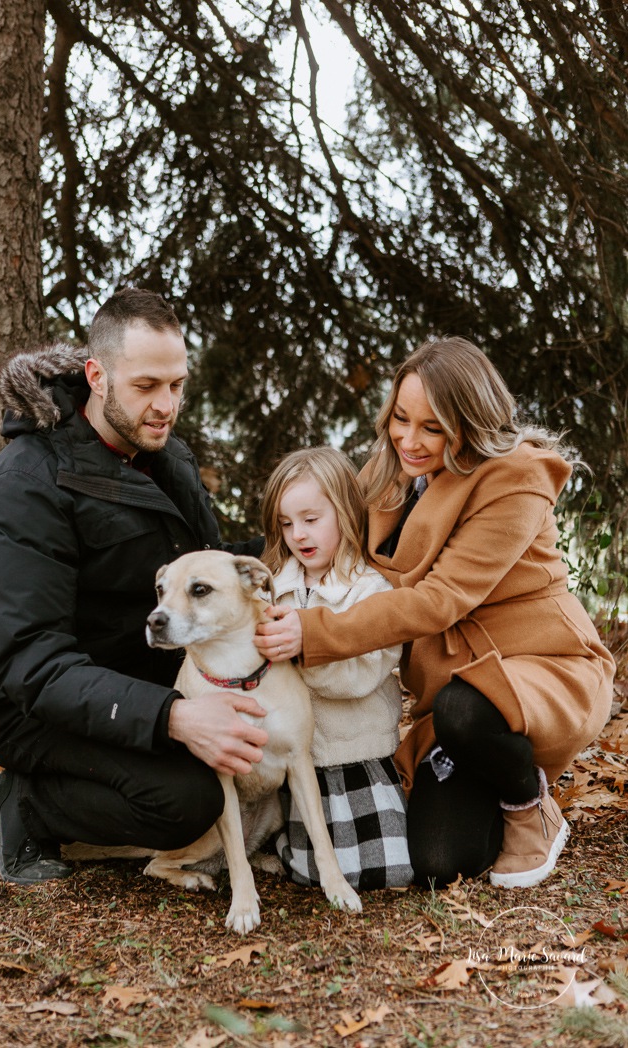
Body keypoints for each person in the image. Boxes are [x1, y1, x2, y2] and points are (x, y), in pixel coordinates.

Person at [256, 337, 615, 889]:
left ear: (470, 423)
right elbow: (326, 534)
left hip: (534, 668)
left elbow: (438, 600)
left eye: (433, 426)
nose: (409, 438)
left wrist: (312, 632)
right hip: (445, 693)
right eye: (401, 417)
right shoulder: (390, 471)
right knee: (439, 860)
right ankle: (487, 782)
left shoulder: (515, 477)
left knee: (466, 709)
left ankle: (527, 803)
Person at [0, 288, 267, 885]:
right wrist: (175, 717)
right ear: (96, 375)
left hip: (134, 670)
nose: (165, 405)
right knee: (188, 800)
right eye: (146, 386)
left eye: (176, 385)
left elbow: (211, 566)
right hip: (31, 704)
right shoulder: (23, 488)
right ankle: (29, 804)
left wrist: (301, 550)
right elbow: (33, 665)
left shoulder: (166, 456)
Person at [260, 447, 413, 890]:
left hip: (355, 753)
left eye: (311, 519)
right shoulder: (276, 587)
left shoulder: (369, 590)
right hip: (300, 761)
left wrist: (298, 652)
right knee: (308, 873)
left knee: (385, 871)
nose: (298, 534)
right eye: (286, 524)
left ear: (344, 511)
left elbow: (362, 675)